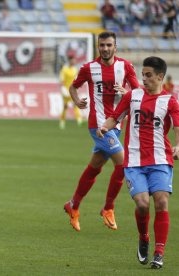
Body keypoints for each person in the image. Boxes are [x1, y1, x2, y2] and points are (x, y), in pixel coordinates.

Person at [97, 56, 179, 269]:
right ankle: (144, 237)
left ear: (160, 77)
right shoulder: (132, 96)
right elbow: (115, 117)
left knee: (162, 202)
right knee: (143, 204)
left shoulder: (170, 101)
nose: (143, 79)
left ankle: (159, 252)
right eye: (142, 75)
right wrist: (105, 126)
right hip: (134, 161)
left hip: (161, 160)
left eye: (148, 75)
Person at [63, 31, 140, 232]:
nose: (105, 49)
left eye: (108, 45)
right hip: (98, 125)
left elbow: (139, 93)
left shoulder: (125, 67)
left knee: (95, 168)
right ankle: (108, 208)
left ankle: (73, 205)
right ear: (98, 47)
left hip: (116, 125)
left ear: (115, 47)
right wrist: (77, 100)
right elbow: (73, 87)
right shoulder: (89, 68)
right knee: (123, 164)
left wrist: (128, 93)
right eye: (102, 45)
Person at [59, 55, 82, 129]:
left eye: (74, 60)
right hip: (66, 90)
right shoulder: (64, 69)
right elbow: (62, 80)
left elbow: (76, 80)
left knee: (76, 104)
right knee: (65, 106)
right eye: (73, 60)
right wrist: (63, 88)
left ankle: (79, 120)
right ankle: (62, 121)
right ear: (70, 60)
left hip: (73, 91)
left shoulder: (75, 69)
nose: (74, 61)